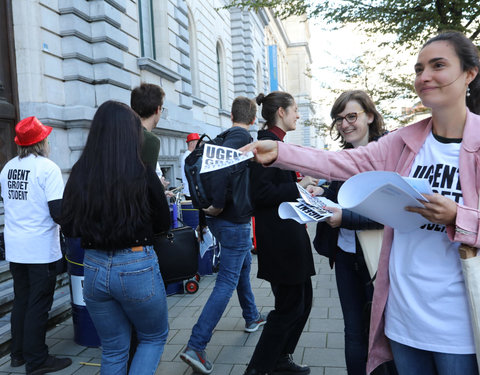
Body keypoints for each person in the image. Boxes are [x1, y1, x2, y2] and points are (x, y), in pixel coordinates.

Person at [241, 31, 480, 375]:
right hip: (403, 315)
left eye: (438, 65)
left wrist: (458, 215)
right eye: (418, 68)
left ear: (469, 73)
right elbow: (342, 163)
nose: (424, 76)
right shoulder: (404, 141)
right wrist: (280, 151)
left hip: (458, 324)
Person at [61, 101, 171, 374]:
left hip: (95, 267)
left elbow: (69, 225)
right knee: (152, 338)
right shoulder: (142, 170)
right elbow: (162, 221)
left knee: (113, 348)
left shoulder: (80, 172)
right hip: (136, 264)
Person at [311, 90, 396, 375]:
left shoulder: (388, 156)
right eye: (339, 119)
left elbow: (390, 212)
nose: (345, 124)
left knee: (383, 332)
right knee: (353, 330)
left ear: (370, 116)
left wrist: (345, 218)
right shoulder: (342, 158)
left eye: (351, 116)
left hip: (380, 259)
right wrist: (319, 193)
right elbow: (337, 194)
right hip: (346, 258)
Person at [180, 96, 266, 374]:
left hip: (221, 221)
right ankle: (196, 345)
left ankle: (251, 316)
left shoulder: (223, 135)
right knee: (226, 280)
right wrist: (216, 205)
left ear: (231, 114)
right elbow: (221, 173)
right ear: (253, 119)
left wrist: (209, 212)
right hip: (232, 221)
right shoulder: (240, 137)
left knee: (242, 266)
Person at [243, 91, 316, 375]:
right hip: (280, 240)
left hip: (289, 237)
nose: (298, 114)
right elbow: (260, 194)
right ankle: (260, 368)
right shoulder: (267, 143)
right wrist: (300, 186)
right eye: (295, 109)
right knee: (289, 307)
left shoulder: (276, 142)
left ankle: (280, 358)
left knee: (303, 302)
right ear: (282, 112)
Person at [0, 116, 72, 374]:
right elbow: (58, 211)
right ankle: (37, 359)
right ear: (41, 141)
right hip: (40, 248)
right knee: (39, 304)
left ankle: (18, 354)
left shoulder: (7, 168)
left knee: (22, 299)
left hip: (16, 247)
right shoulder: (47, 168)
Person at [181, 132, 200, 199]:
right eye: (198, 142)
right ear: (191, 143)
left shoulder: (188, 155)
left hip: (190, 191)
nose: (200, 144)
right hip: (191, 192)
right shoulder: (189, 156)